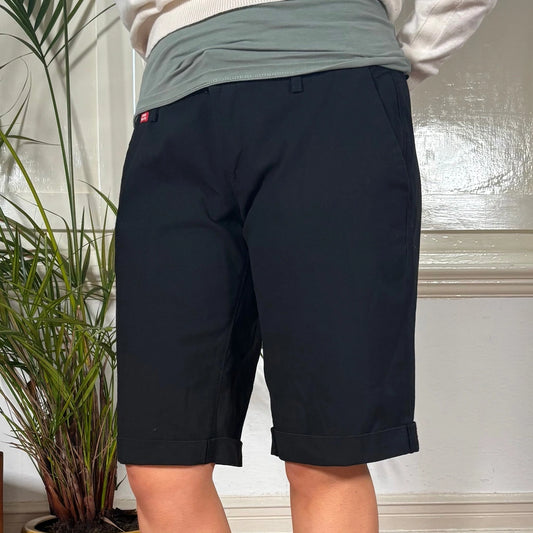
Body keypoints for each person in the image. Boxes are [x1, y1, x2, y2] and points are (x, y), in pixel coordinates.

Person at [113, 0, 498, 531]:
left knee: (326, 453)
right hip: (170, 107)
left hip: (330, 81)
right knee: (161, 464)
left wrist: (387, 53)